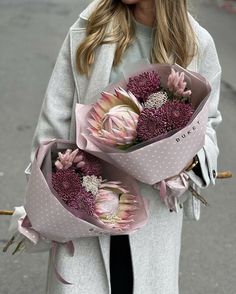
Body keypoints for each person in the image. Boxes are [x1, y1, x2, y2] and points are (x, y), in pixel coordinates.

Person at [9, 0, 222, 293]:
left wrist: (186, 162)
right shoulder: (90, 29)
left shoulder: (196, 43)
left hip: (152, 211)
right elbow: (54, 120)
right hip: (87, 197)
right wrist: (44, 195)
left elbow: (207, 123)